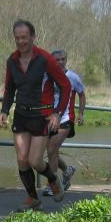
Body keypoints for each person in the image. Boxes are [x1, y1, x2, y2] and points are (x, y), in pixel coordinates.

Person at [0, 20, 71, 211]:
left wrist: (57, 113)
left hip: (42, 116)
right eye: (17, 38)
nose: (20, 41)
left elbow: (65, 86)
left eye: (24, 37)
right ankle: (33, 199)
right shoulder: (12, 60)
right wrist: (4, 110)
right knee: (22, 160)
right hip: (21, 115)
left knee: (35, 161)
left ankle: (53, 179)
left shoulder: (45, 59)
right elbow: (9, 89)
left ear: (33, 37)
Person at [43, 49, 85, 196]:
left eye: (63, 59)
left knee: (51, 150)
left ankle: (53, 185)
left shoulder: (72, 77)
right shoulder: (47, 75)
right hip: (48, 118)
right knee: (51, 151)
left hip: (65, 118)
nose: (60, 62)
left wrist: (81, 113)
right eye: (57, 60)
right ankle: (67, 171)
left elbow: (81, 94)